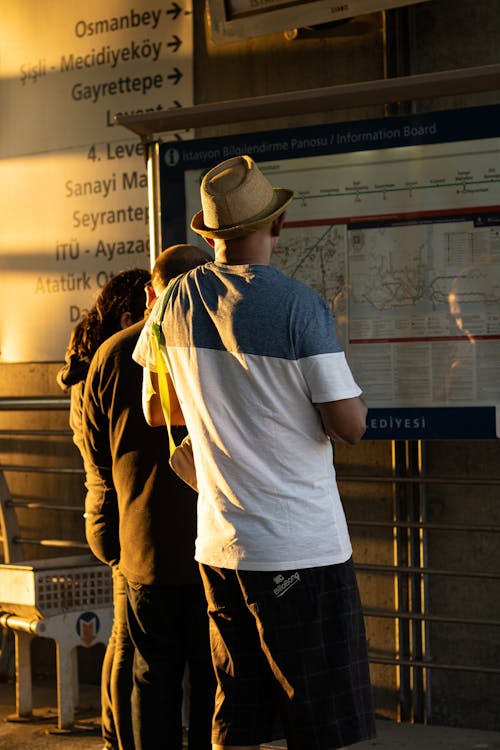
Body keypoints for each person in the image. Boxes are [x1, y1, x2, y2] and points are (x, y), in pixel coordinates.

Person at [133, 155, 377, 750]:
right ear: (279, 224)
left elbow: (157, 410)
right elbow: (350, 426)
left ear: (210, 235)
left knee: (237, 709)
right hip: (300, 547)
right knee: (317, 717)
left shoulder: (172, 302)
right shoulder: (299, 305)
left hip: (219, 546)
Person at [81, 244, 216, 750]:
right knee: (210, 679)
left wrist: (109, 525)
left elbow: (96, 456)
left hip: (141, 547)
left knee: (150, 676)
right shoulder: (216, 348)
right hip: (214, 547)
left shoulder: (112, 353)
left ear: (150, 291)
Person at [57, 267, 151, 750]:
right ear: (128, 316)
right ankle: (120, 737)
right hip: (118, 513)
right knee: (129, 639)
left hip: (102, 510)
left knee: (124, 634)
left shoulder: (89, 362)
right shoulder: (112, 366)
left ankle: (118, 735)